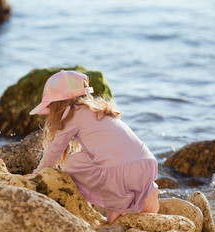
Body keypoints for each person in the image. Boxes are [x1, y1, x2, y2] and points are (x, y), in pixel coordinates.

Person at [29, 70, 159, 224]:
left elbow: (54, 149)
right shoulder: (99, 111)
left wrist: (37, 174)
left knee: (73, 163)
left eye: (50, 107)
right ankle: (147, 189)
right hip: (146, 164)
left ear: (58, 104)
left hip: (120, 171)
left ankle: (118, 202)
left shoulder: (71, 114)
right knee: (100, 159)